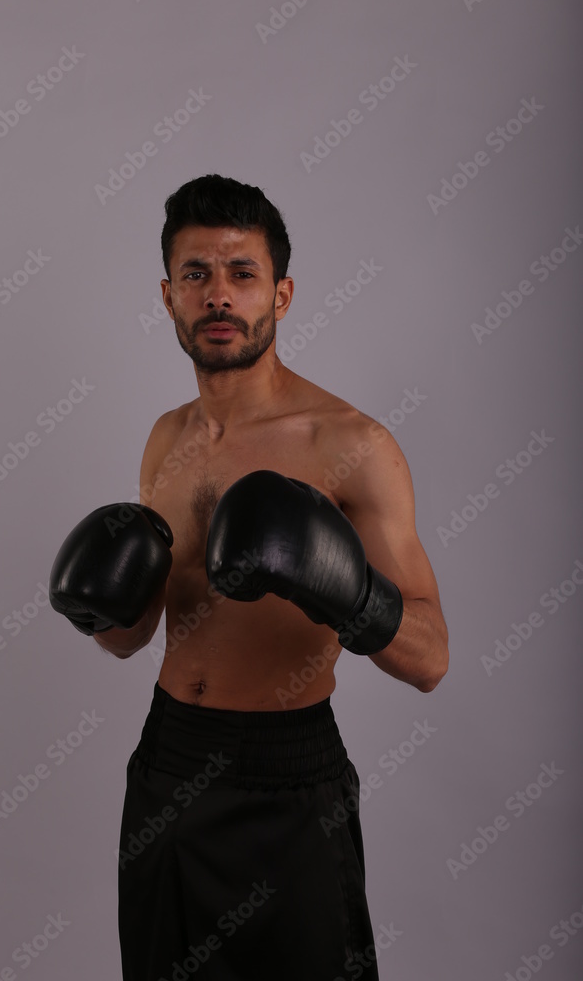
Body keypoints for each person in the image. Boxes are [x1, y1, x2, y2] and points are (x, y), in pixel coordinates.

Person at [49, 174, 449, 980]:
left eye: (242, 273)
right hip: (167, 764)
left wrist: (340, 587)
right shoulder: (165, 438)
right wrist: (100, 610)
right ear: (167, 297)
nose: (218, 295)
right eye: (196, 274)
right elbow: (133, 641)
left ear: (282, 293)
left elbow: (429, 657)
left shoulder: (352, 444)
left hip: (288, 777)